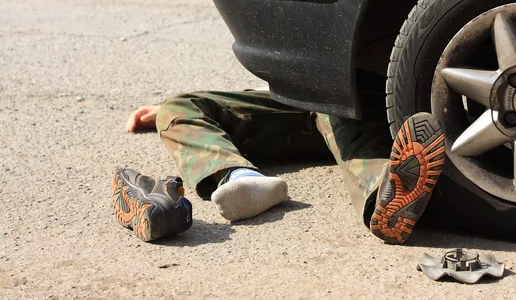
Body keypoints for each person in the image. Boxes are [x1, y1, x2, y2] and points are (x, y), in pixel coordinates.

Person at [112, 89, 445, 244]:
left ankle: (384, 196)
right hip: (295, 95)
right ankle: (241, 178)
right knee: (177, 105)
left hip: (351, 93)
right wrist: (169, 113)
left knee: (335, 102)